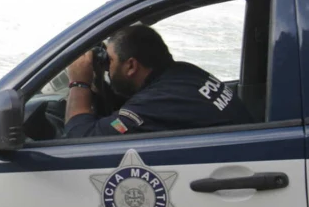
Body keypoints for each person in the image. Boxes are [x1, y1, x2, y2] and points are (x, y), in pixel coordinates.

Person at [64, 24, 252, 137]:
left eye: (110, 61)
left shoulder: (158, 102)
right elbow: (127, 102)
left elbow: (81, 137)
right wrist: (97, 78)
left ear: (131, 66)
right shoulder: (184, 72)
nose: (108, 68)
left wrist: (79, 83)